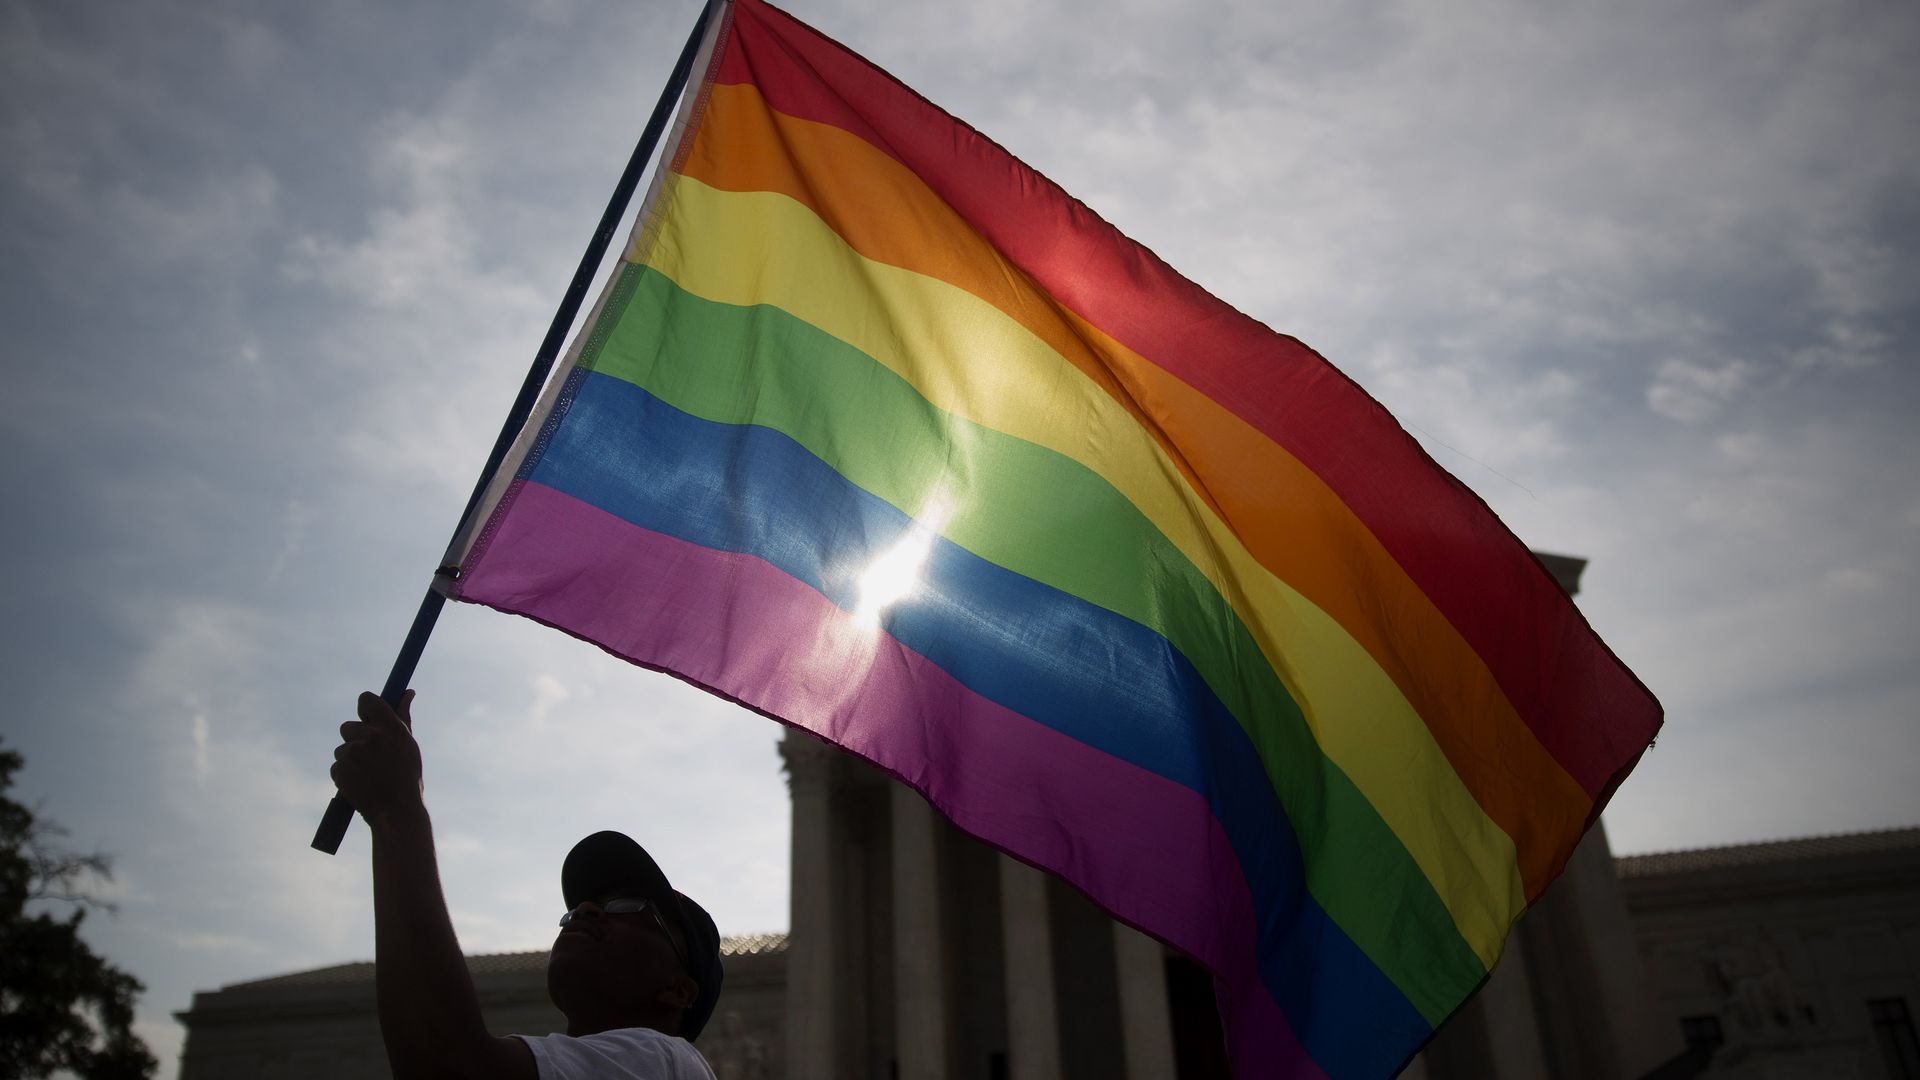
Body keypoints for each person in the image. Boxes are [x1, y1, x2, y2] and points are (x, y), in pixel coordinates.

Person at [331, 690, 724, 1079]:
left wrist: (396, 810)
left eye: (629, 907)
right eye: (582, 906)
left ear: (679, 991)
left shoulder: (664, 1061)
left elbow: (448, 1065)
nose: (586, 910)